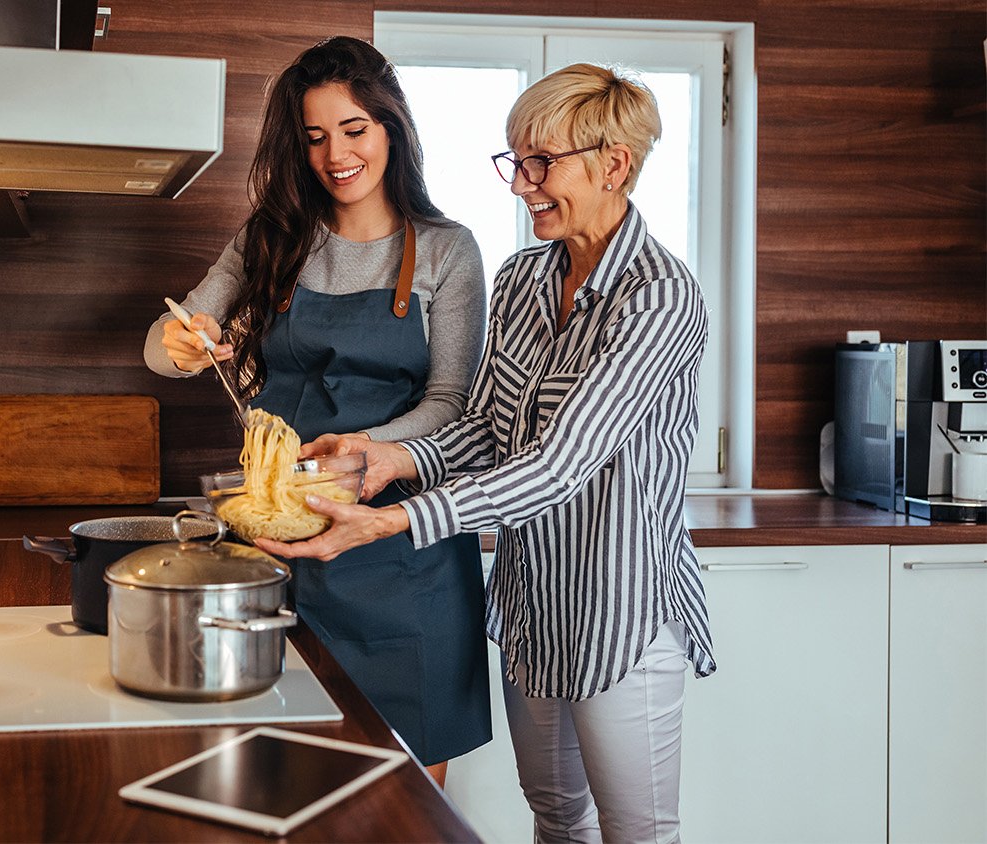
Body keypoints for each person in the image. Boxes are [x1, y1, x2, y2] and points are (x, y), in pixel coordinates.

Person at [256, 63, 717, 842]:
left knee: (636, 834)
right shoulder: (524, 280)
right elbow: (489, 430)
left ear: (614, 165)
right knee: (556, 820)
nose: (522, 184)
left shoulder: (659, 296)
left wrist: (389, 523)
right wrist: (383, 459)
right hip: (533, 603)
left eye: (542, 162)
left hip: (621, 608)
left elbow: (559, 465)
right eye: (516, 162)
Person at [144, 35, 492, 784]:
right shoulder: (272, 240)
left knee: (406, 804)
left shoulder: (446, 251)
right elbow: (163, 341)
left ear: (392, 128)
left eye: (354, 129)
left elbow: (452, 404)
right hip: (272, 547)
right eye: (314, 137)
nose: (336, 154)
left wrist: (357, 451)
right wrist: (181, 342)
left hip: (401, 557)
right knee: (273, 777)